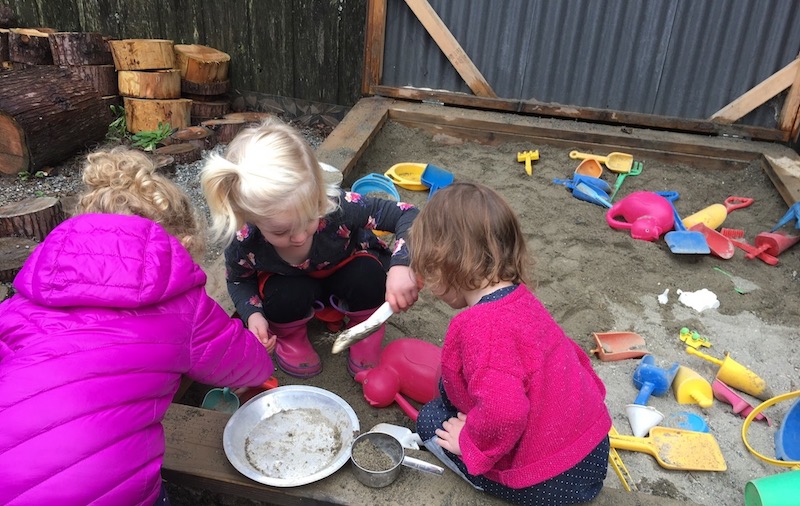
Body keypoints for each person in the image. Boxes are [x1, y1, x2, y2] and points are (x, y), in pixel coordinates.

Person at [0, 147, 274, 506]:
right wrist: (262, 354)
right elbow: (243, 364)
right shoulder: (182, 304)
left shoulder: (26, 296)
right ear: (183, 244)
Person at [410, 182, 611, 506]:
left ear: (448, 264)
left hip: (552, 479)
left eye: (430, 273)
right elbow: (571, 360)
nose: (430, 285)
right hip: (592, 450)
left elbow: (506, 412)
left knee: (431, 419)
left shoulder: (479, 327)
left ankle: (481, 474)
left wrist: (470, 440)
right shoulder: (522, 300)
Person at [201, 118, 420, 378]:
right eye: (280, 231)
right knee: (282, 295)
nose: (300, 237)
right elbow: (238, 281)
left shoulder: (338, 206)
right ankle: (291, 338)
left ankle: (366, 329)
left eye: (309, 219)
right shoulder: (245, 240)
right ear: (248, 217)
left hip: (345, 267)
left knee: (368, 275)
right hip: (291, 284)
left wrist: (402, 266)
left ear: (317, 195)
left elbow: (408, 215)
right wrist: (253, 315)